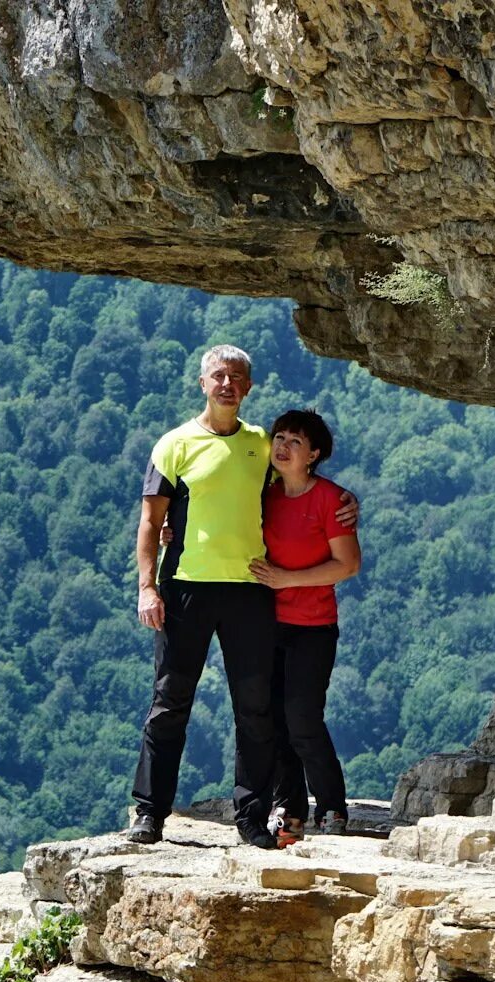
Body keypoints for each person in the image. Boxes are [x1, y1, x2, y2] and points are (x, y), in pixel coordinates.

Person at [123, 345, 353, 848]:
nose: (228, 384)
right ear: (202, 383)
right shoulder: (175, 444)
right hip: (185, 587)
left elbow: (299, 484)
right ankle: (149, 811)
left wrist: (345, 501)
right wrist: (146, 587)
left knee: (255, 710)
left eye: (237, 378)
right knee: (170, 702)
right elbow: (149, 520)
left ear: (248, 388)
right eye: (219, 376)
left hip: (250, 590)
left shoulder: (261, 446)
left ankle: (250, 817)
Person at [251, 409, 360, 840]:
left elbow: (348, 565)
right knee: (273, 719)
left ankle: (332, 807)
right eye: (279, 437)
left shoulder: (330, 500)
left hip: (313, 625)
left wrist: (287, 579)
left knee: (303, 719)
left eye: (295, 441)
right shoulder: (265, 493)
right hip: (265, 624)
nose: (283, 446)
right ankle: (290, 810)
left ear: (313, 454)